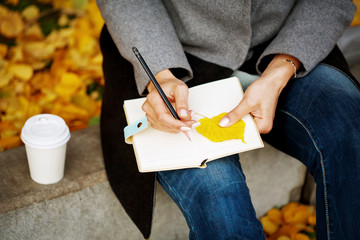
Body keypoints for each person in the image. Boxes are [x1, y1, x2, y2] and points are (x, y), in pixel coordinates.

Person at [96, 1, 360, 239]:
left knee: (348, 127)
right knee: (222, 201)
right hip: (171, 56)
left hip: (290, 41)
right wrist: (160, 73)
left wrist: (283, 68)